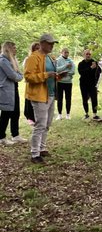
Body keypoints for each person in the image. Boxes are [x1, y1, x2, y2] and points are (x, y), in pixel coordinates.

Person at [24, 34, 59, 163]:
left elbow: (49, 75)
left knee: (47, 124)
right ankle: (34, 154)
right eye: (50, 43)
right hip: (39, 96)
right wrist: (46, 75)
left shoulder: (49, 57)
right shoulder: (33, 57)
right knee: (40, 125)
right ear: (42, 43)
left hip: (50, 94)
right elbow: (28, 77)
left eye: (53, 43)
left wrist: (56, 76)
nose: (52, 46)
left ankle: (42, 148)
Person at [0, 41, 27, 146]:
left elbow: (18, 73)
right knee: (6, 114)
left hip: (13, 89)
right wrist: (20, 76)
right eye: (14, 48)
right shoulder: (3, 60)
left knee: (16, 113)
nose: (16, 50)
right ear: (8, 49)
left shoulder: (12, 59)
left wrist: (19, 75)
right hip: (5, 91)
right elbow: (14, 76)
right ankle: (1, 137)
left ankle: (15, 135)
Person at [78, 49, 102, 120]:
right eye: (87, 54)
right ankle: (86, 114)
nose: (88, 55)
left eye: (89, 54)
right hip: (83, 84)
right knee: (84, 98)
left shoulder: (94, 62)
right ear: (84, 55)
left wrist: (96, 67)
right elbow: (82, 73)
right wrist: (90, 68)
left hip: (92, 83)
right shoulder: (81, 64)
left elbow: (99, 72)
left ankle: (95, 114)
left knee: (94, 98)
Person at [23, 42, 40, 125]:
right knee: (30, 100)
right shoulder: (28, 59)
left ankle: (37, 117)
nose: (38, 50)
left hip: (39, 84)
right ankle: (30, 117)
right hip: (31, 83)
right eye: (36, 48)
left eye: (38, 48)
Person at [55, 48, 75, 120]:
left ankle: (68, 114)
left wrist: (66, 73)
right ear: (61, 52)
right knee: (60, 98)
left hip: (68, 82)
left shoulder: (71, 61)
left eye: (67, 52)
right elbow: (56, 69)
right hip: (60, 82)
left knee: (68, 98)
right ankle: (59, 114)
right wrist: (66, 66)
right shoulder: (58, 60)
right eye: (65, 52)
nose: (66, 54)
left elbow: (73, 71)